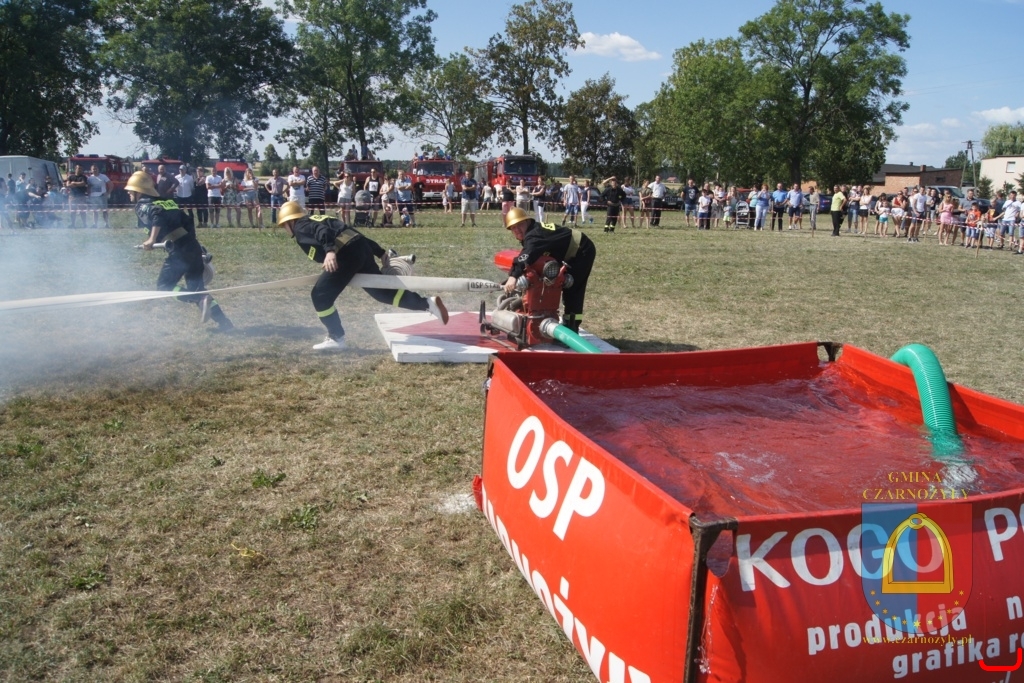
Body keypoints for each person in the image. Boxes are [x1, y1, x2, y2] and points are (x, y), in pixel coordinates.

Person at [275, 201, 449, 351]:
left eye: (284, 225)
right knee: (382, 293)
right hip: (360, 249)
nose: (285, 229)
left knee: (320, 296)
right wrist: (378, 251)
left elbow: (323, 232)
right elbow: (352, 232)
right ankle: (427, 303)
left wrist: (329, 252)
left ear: (290, 221)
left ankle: (336, 338)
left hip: (346, 256)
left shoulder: (301, 226)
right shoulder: (318, 218)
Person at [129, 170, 233, 331]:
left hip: (179, 252)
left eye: (130, 190)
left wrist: (151, 239)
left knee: (164, 286)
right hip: (192, 246)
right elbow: (188, 221)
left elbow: (157, 216)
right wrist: (194, 246)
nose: (128, 193)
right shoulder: (167, 201)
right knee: (197, 289)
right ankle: (225, 324)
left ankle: (198, 299)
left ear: (138, 191)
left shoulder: (143, 205)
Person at [502, 207, 596, 334]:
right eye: (513, 228)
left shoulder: (534, 235)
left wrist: (513, 276)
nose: (517, 230)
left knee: (572, 288)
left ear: (527, 222)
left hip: (581, 250)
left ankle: (572, 327)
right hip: (568, 251)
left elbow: (525, 256)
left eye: (520, 225)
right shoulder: (532, 233)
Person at [86, 164, 112, 229]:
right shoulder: (90, 178)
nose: (95, 170)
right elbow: (88, 187)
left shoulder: (103, 176)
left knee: (104, 211)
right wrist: (89, 195)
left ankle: (106, 224)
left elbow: (111, 184)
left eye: (96, 169)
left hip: (102, 196)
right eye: (93, 169)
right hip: (93, 197)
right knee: (95, 211)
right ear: (91, 170)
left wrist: (108, 193)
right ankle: (95, 224)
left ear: (98, 169)